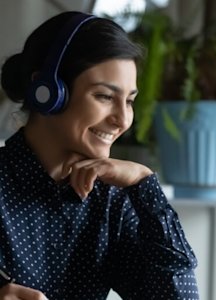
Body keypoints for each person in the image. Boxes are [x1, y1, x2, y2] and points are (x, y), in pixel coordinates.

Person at [0, 11, 199, 300]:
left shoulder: (111, 201)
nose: (122, 120)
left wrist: (145, 184)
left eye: (129, 101)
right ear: (47, 92)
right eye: (105, 96)